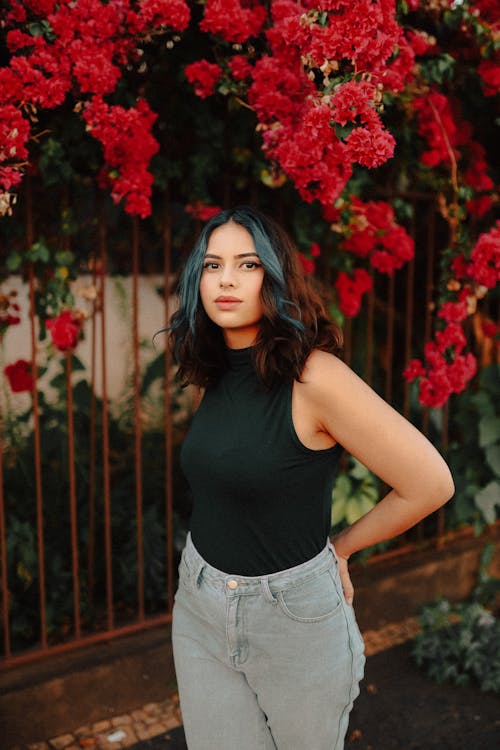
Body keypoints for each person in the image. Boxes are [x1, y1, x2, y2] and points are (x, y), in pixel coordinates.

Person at [168, 205, 454, 750]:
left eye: (247, 265)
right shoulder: (216, 366)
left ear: (274, 278)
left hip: (293, 620)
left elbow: (430, 482)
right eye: (212, 265)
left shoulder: (314, 376)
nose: (226, 279)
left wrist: (341, 549)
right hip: (200, 604)